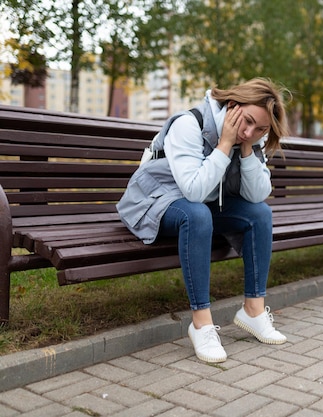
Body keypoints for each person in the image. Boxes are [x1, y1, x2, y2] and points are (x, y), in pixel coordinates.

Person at [116, 78, 291, 363]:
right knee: (197, 214)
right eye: (247, 122)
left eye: (261, 129)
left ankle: (253, 311)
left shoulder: (250, 138)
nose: (250, 132)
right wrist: (225, 144)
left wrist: (245, 150)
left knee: (260, 215)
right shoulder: (189, 124)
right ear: (233, 106)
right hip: (154, 202)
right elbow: (194, 191)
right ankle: (201, 324)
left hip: (202, 203)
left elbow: (258, 195)